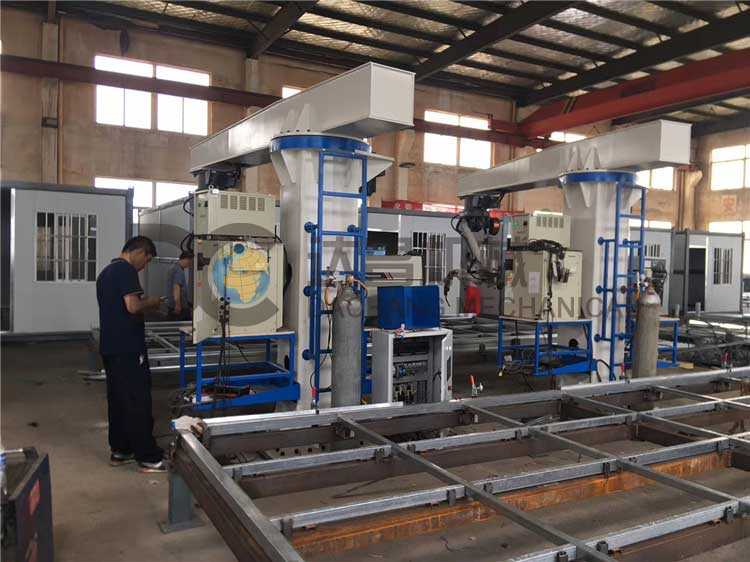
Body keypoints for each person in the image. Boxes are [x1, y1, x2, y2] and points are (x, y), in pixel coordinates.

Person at [96, 236, 166, 473]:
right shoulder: (125, 270)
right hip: (128, 347)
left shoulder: (106, 272)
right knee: (137, 400)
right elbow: (132, 306)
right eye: (147, 260)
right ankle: (148, 457)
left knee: (118, 399)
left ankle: (121, 450)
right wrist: (151, 302)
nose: (144, 266)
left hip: (111, 346)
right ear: (139, 252)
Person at [166, 251, 193, 321]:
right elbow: (176, 287)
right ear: (186, 259)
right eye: (190, 261)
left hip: (172, 304)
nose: (189, 264)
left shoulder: (173, 267)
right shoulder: (179, 270)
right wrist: (178, 305)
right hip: (180, 306)